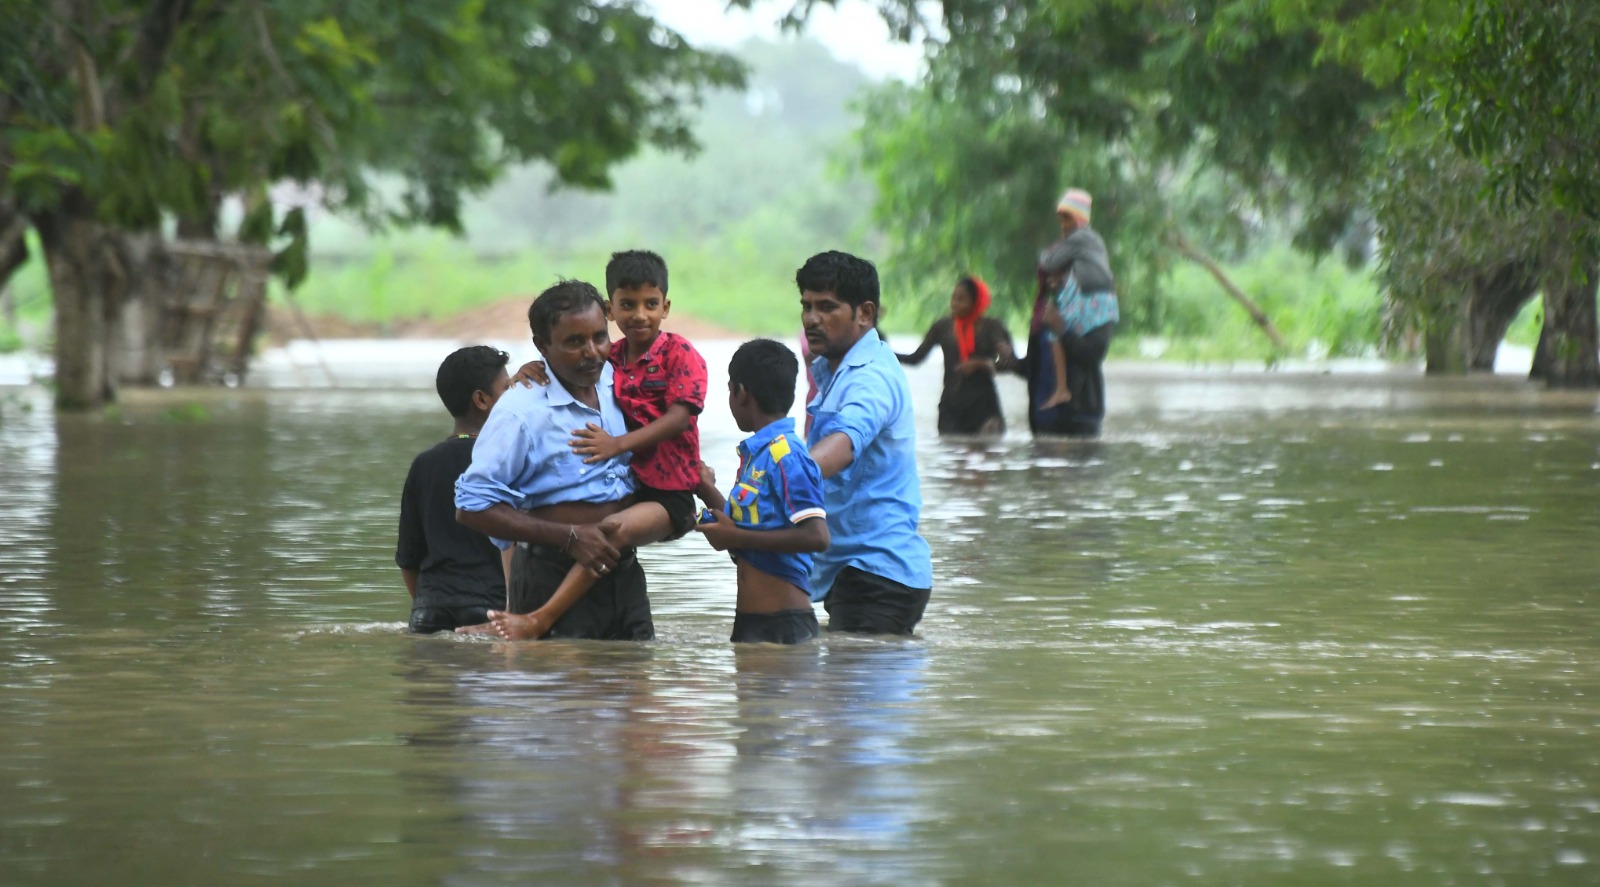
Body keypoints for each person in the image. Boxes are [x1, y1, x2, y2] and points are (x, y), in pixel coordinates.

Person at [491, 250, 708, 641]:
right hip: (637, 490)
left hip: (670, 492)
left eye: (650, 304)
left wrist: (616, 444)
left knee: (607, 531)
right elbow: (568, 360)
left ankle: (542, 617)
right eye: (628, 305)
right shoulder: (614, 358)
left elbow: (680, 418)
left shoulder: (681, 354)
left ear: (666, 307)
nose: (639, 315)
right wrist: (529, 369)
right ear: (612, 310)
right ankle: (532, 615)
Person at [453, 279, 653, 641]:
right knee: (562, 692)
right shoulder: (520, 410)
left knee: (633, 686)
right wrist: (569, 537)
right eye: (574, 342)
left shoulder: (619, 380)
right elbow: (471, 507)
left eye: (598, 337)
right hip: (551, 572)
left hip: (623, 575)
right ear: (542, 346)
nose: (592, 352)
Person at [798, 250, 934, 635]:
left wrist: (771, 478)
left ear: (865, 313)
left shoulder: (870, 377)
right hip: (857, 572)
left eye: (826, 307)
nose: (811, 318)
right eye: (806, 306)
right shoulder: (833, 371)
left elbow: (842, 445)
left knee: (853, 692)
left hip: (878, 574)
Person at [694, 338, 830, 644]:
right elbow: (742, 530)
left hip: (784, 627)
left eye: (730, 390)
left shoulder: (787, 455)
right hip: (751, 625)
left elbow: (817, 536)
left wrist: (735, 537)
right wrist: (706, 490)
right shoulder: (758, 455)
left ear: (741, 393)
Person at [395, 346, 513, 634]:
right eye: (508, 389)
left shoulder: (423, 464)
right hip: (493, 608)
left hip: (428, 609)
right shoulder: (506, 459)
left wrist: (431, 604)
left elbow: (408, 559)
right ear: (482, 400)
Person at [1012, 188, 1119, 437]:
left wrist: (1063, 330)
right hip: (1044, 425)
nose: (1052, 280)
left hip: (1079, 418)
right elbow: (1035, 368)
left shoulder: (1091, 310)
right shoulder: (1046, 318)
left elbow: (1093, 354)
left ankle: (1063, 391)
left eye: (1061, 273)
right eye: (1048, 278)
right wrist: (1008, 363)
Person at [896, 274, 1016, 435]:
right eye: (953, 298)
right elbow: (916, 358)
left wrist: (980, 364)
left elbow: (1011, 364)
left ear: (975, 303)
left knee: (986, 456)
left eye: (961, 299)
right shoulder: (942, 327)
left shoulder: (992, 328)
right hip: (950, 409)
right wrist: (885, 352)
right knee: (950, 454)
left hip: (985, 410)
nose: (954, 303)